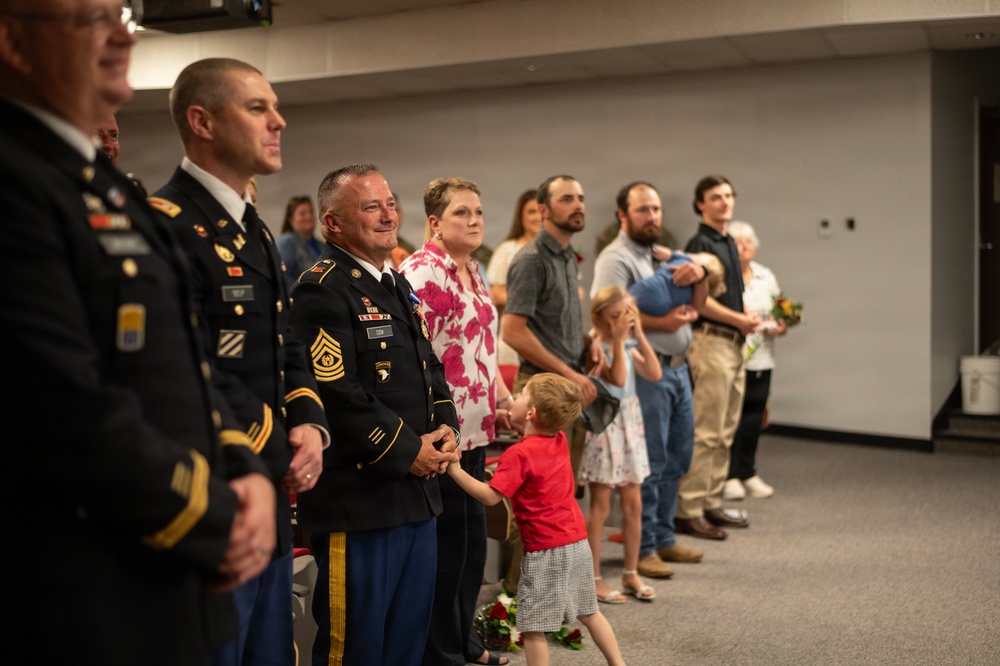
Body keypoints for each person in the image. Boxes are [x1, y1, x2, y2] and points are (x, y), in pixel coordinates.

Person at [0, 2, 277, 662]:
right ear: (13, 40)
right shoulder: (18, 182)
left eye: (122, 16)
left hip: (168, 586)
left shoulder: (102, 187)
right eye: (92, 19)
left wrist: (244, 467)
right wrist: (214, 514)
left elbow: (187, 364)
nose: (123, 35)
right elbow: (60, 407)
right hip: (84, 590)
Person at [149, 57, 329, 666]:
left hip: (271, 485)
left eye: (274, 107)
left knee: (271, 653)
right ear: (202, 121)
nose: (279, 121)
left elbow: (285, 344)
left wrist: (310, 423)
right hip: (217, 486)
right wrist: (277, 442)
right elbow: (186, 365)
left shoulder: (251, 226)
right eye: (257, 108)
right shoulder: (166, 225)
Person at [289, 164, 461, 666]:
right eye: (371, 207)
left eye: (390, 204)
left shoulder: (395, 283)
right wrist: (410, 451)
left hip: (417, 496)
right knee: (356, 648)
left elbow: (429, 367)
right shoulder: (321, 288)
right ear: (333, 223)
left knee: (406, 645)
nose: (388, 215)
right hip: (361, 501)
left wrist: (446, 428)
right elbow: (335, 393)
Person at [398, 177, 514, 666]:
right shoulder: (422, 272)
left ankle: (464, 641)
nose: (474, 221)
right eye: (462, 213)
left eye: (478, 212)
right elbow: (412, 357)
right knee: (448, 549)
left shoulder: (474, 269)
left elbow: (482, 347)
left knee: (470, 546)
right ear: (434, 223)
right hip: (444, 433)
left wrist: (503, 399)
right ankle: (440, 652)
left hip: (478, 427)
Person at [447, 374, 626, 666]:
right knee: (590, 612)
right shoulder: (559, 438)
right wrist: (517, 420)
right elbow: (537, 443)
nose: (514, 397)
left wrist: (455, 470)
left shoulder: (518, 455)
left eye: (520, 395)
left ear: (531, 413)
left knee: (532, 628)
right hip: (577, 542)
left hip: (545, 550)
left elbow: (491, 496)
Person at [590, 181, 709, 579]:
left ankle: (663, 536)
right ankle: (644, 549)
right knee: (652, 461)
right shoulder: (615, 258)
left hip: (677, 367)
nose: (652, 216)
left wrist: (701, 271)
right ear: (622, 215)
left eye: (656, 209)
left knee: (679, 455)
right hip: (646, 367)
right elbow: (609, 316)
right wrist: (663, 323)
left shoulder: (660, 254)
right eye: (642, 209)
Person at [679, 175, 760, 539]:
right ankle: (689, 508)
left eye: (728, 195)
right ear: (701, 205)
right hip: (711, 343)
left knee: (725, 430)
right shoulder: (700, 243)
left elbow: (727, 295)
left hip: (732, 343)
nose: (724, 202)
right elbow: (698, 301)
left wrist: (744, 317)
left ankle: (711, 501)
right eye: (715, 197)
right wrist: (738, 319)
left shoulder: (727, 241)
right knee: (707, 431)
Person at [580, 287, 662, 604]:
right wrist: (616, 339)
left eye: (627, 315)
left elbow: (654, 372)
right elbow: (617, 379)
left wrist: (638, 334)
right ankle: (594, 578)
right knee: (601, 506)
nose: (623, 321)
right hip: (605, 426)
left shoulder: (628, 344)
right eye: (616, 316)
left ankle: (631, 572)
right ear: (599, 319)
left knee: (633, 503)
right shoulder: (596, 348)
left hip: (630, 425)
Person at [723, 221, 785, 501]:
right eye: (737, 242)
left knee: (754, 418)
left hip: (762, 358)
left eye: (748, 242)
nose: (743, 247)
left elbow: (777, 310)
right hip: (733, 358)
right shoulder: (725, 278)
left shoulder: (765, 275)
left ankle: (747, 471)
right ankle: (729, 475)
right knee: (731, 420)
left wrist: (781, 324)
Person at [487, 189, 541, 368]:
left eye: (541, 211)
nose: (538, 217)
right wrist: (535, 302)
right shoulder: (507, 250)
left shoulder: (559, 251)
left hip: (550, 338)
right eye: (531, 211)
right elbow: (496, 293)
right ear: (521, 216)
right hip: (515, 337)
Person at [276, 194, 322, 285]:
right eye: (302, 214)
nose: (308, 217)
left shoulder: (322, 245)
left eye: (311, 211)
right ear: (290, 220)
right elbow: (284, 279)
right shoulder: (285, 243)